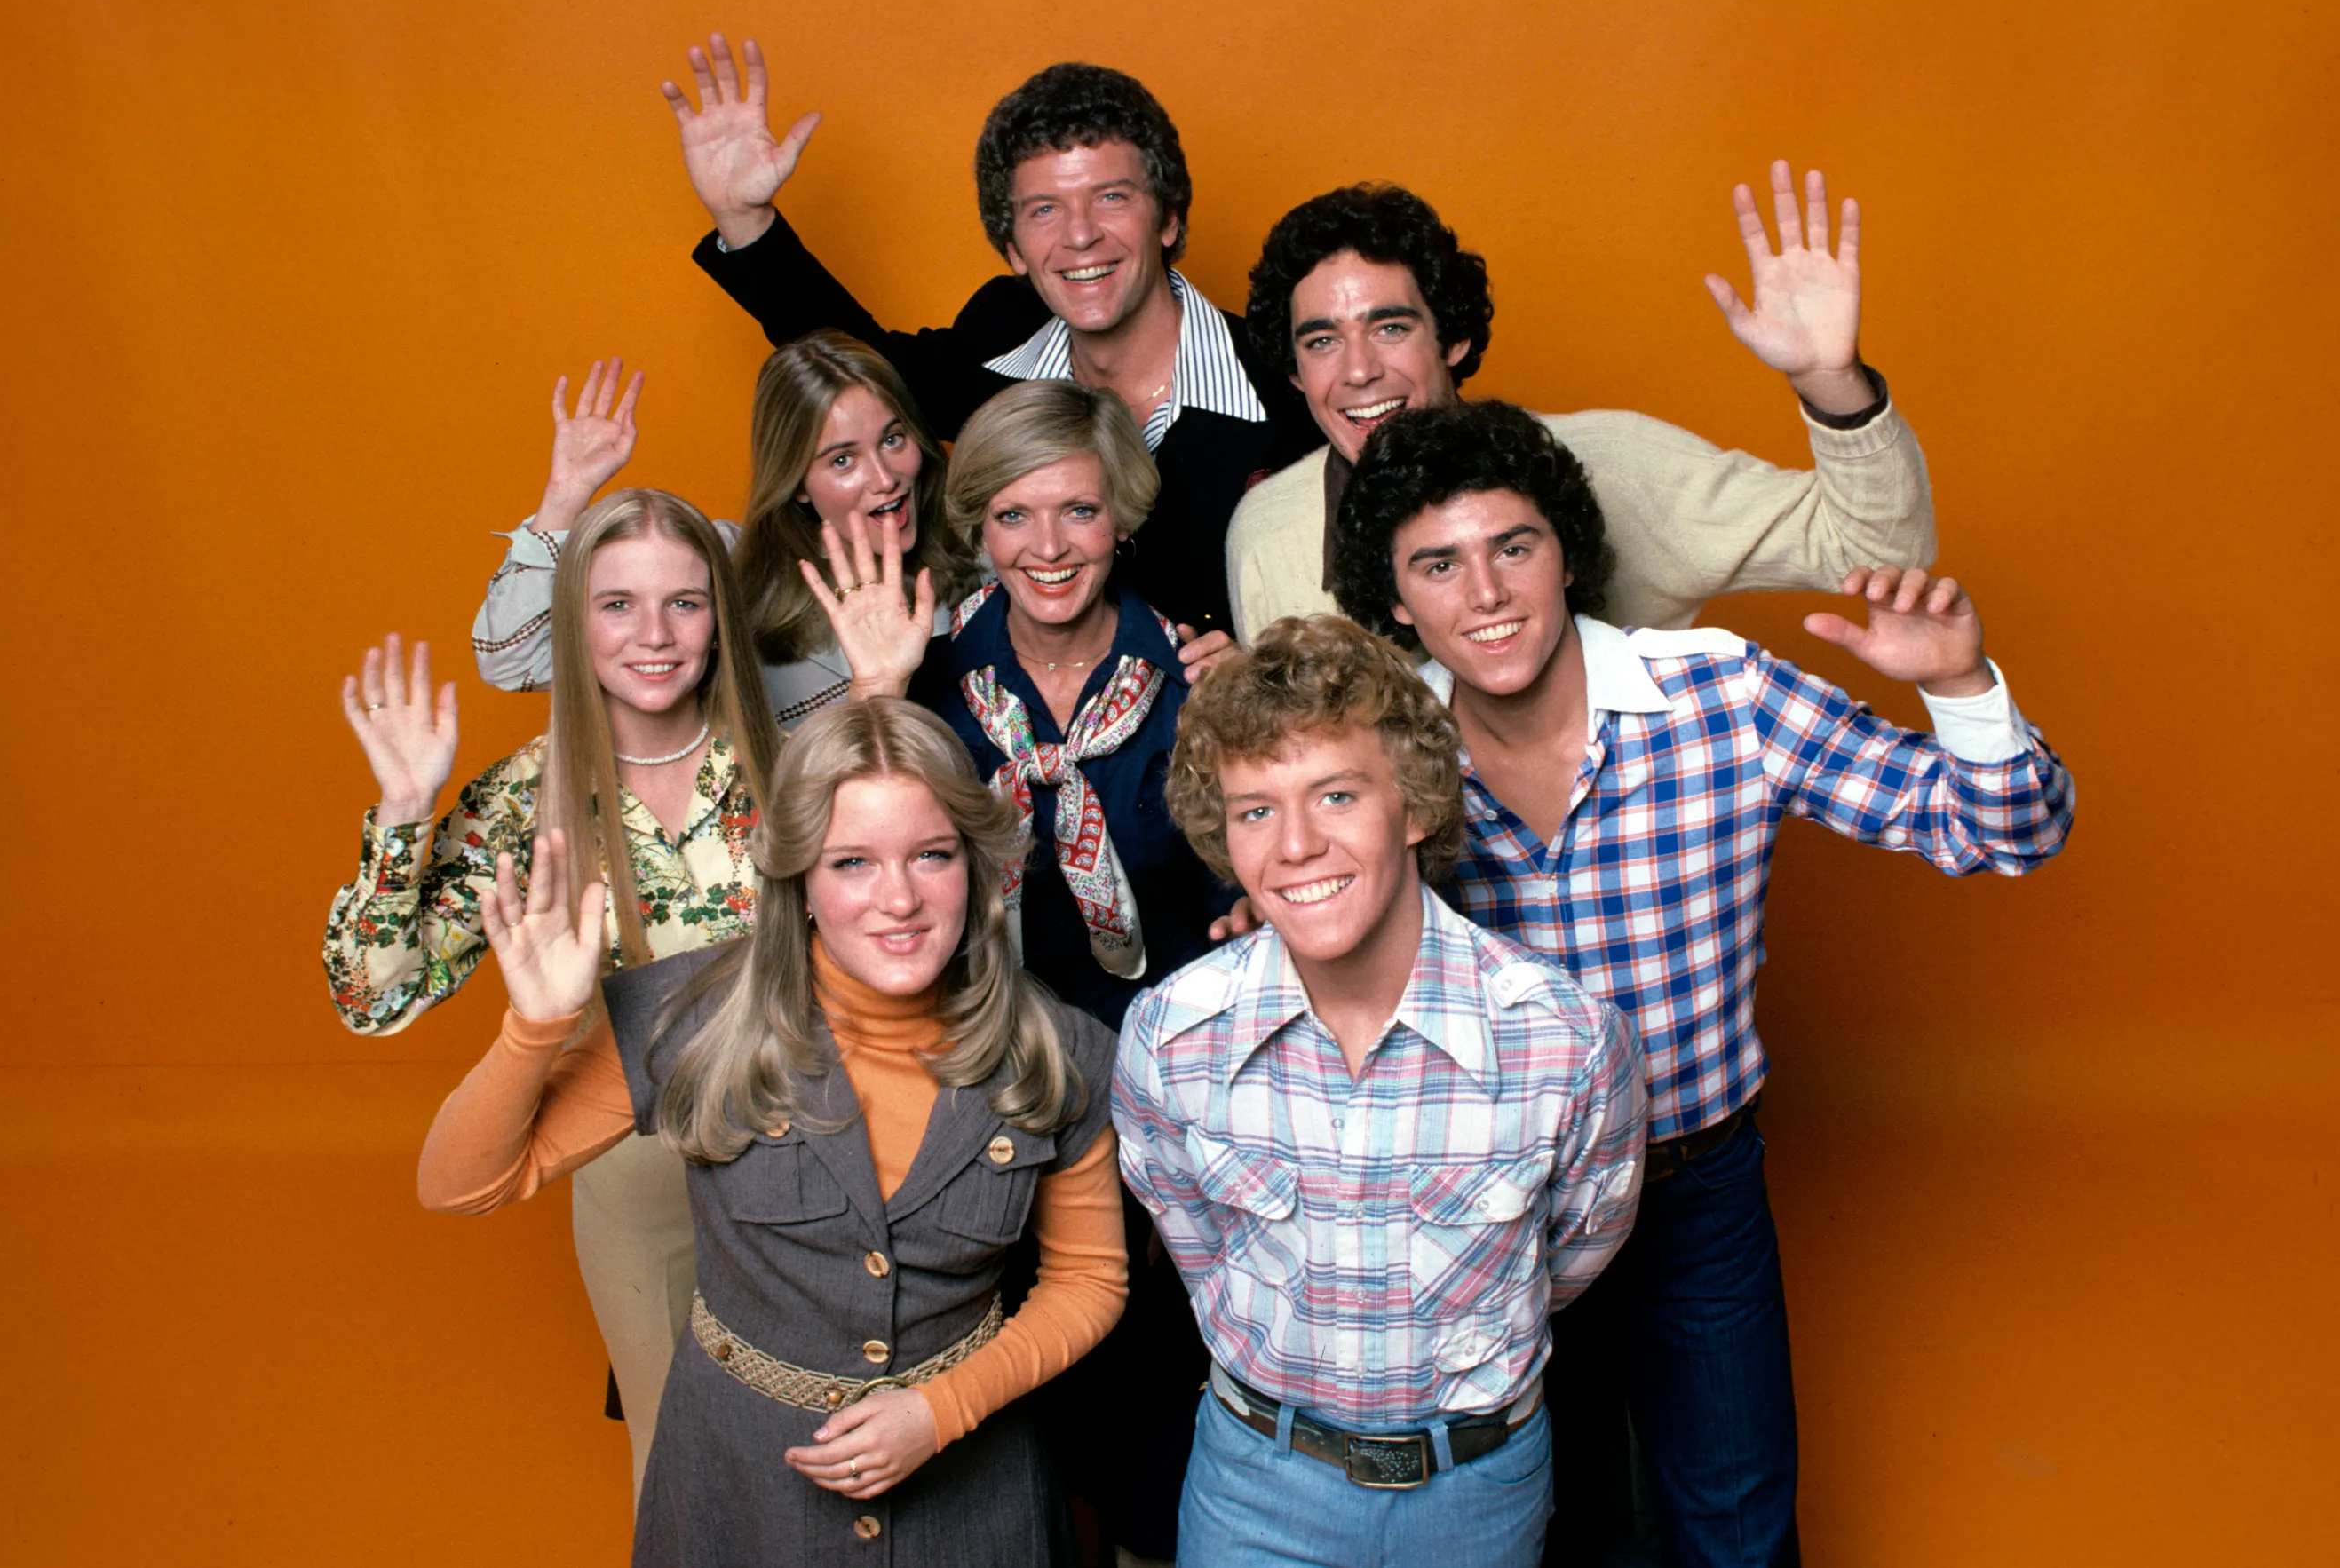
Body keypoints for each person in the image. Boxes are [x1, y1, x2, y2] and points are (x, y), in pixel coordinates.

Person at [1330, 400, 2079, 1567]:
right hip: (1486, 1211)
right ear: (1395, 600)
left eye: (1513, 545)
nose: (1485, 592)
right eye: (1438, 564)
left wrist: (1963, 685)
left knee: (1735, 1529)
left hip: (1695, 1188)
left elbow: (2005, 831)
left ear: (1567, 551)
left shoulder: (1718, 695)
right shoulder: (1376, 751)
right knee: (1531, 1532)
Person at [418, 698, 1129, 1566]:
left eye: (932, 855)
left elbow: (1090, 1280)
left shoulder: (1060, 1051)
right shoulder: (690, 1016)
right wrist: (534, 1030)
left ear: (976, 865)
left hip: (976, 1504)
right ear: (797, 877)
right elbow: (457, 1185)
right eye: (852, 862)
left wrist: (941, 1410)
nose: (899, 899)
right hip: (740, 1494)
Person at [1114, 615, 1648, 1567]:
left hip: (1479, 1493)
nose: (1296, 846)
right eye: (1255, 811)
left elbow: (1572, 1252)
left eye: (1336, 795)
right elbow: (1194, 1239)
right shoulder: (1172, 1037)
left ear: (1413, 804)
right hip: (1256, 1484)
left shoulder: (1564, 1041)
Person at [824, 377, 1241, 1564]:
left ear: (1124, 519)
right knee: (1003, 1395)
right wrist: (874, 691)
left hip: (1166, 1088)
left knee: (1160, 1385)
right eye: (1014, 515)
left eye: (1078, 511)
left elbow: (1257, 891)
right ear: (979, 527)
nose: (1048, 546)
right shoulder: (928, 679)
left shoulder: (1202, 677)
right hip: (977, 1080)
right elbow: (835, 868)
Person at [323, 487, 778, 1496]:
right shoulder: (526, 795)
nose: (654, 635)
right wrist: (404, 811)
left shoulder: (792, 764)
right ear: (573, 621)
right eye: (618, 604)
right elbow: (372, 996)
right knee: (683, 1464)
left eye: (684, 602)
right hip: (635, 1174)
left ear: (720, 617)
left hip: (810, 1158)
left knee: (838, 1454)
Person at [662, 36, 1327, 635]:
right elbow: (859, 369)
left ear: (1169, 219)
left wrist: (1258, 667)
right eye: (1045, 210)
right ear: (1012, 248)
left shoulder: (1288, 385)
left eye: (1111, 197)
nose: (1079, 235)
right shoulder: (998, 344)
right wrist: (746, 221)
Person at [1223, 174, 1939, 642]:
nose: (1358, 371)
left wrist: (1829, 380)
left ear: (1454, 337)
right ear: (1294, 371)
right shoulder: (1267, 531)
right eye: (1322, 341)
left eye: (1390, 327)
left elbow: (1877, 553)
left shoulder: (1615, 464)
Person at [472, 337, 970, 726]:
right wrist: (564, 497)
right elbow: (514, 663)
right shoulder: (731, 565)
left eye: (893, 439)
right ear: (796, 481)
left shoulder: (982, 552)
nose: (884, 478)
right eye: (842, 460)